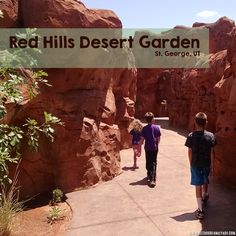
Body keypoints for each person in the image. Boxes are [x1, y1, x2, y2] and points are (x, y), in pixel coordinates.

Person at [185, 112, 216, 220]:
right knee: (205, 179)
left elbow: (190, 151)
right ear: (206, 122)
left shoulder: (191, 136)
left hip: (196, 164)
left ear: (195, 122)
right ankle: (205, 195)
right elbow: (212, 152)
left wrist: (190, 163)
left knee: (198, 185)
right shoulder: (211, 136)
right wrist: (212, 165)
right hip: (206, 163)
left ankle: (200, 210)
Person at [141, 112, 161, 187]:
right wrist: (156, 145)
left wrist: (139, 147)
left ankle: (151, 177)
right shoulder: (156, 128)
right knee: (153, 162)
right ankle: (151, 177)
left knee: (148, 161)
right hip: (154, 148)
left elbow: (142, 139)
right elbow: (158, 139)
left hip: (147, 148)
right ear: (152, 119)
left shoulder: (144, 129)